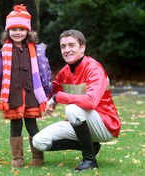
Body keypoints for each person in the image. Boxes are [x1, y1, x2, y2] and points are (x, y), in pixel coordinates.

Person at [32, 29, 121, 171]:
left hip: (105, 125)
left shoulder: (94, 68)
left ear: (82, 48)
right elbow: (49, 93)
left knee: (72, 108)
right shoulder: (64, 72)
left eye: (71, 45)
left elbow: (91, 102)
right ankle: (91, 147)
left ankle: (90, 160)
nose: (67, 50)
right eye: (63, 46)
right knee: (39, 141)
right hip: (82, 124)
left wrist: (58, 97)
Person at [0, 4, 52, 168]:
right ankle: (17, 158)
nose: (18, 32)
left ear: (28, 31)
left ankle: (37, 156)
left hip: (32, 95)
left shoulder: (36, 51)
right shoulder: (3, 52)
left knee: (32, 126)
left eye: (22, 29)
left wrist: (49, 89)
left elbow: (45, 71)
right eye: (14, 29)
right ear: (8, 31)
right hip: (13, 95)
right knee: (15, 127)